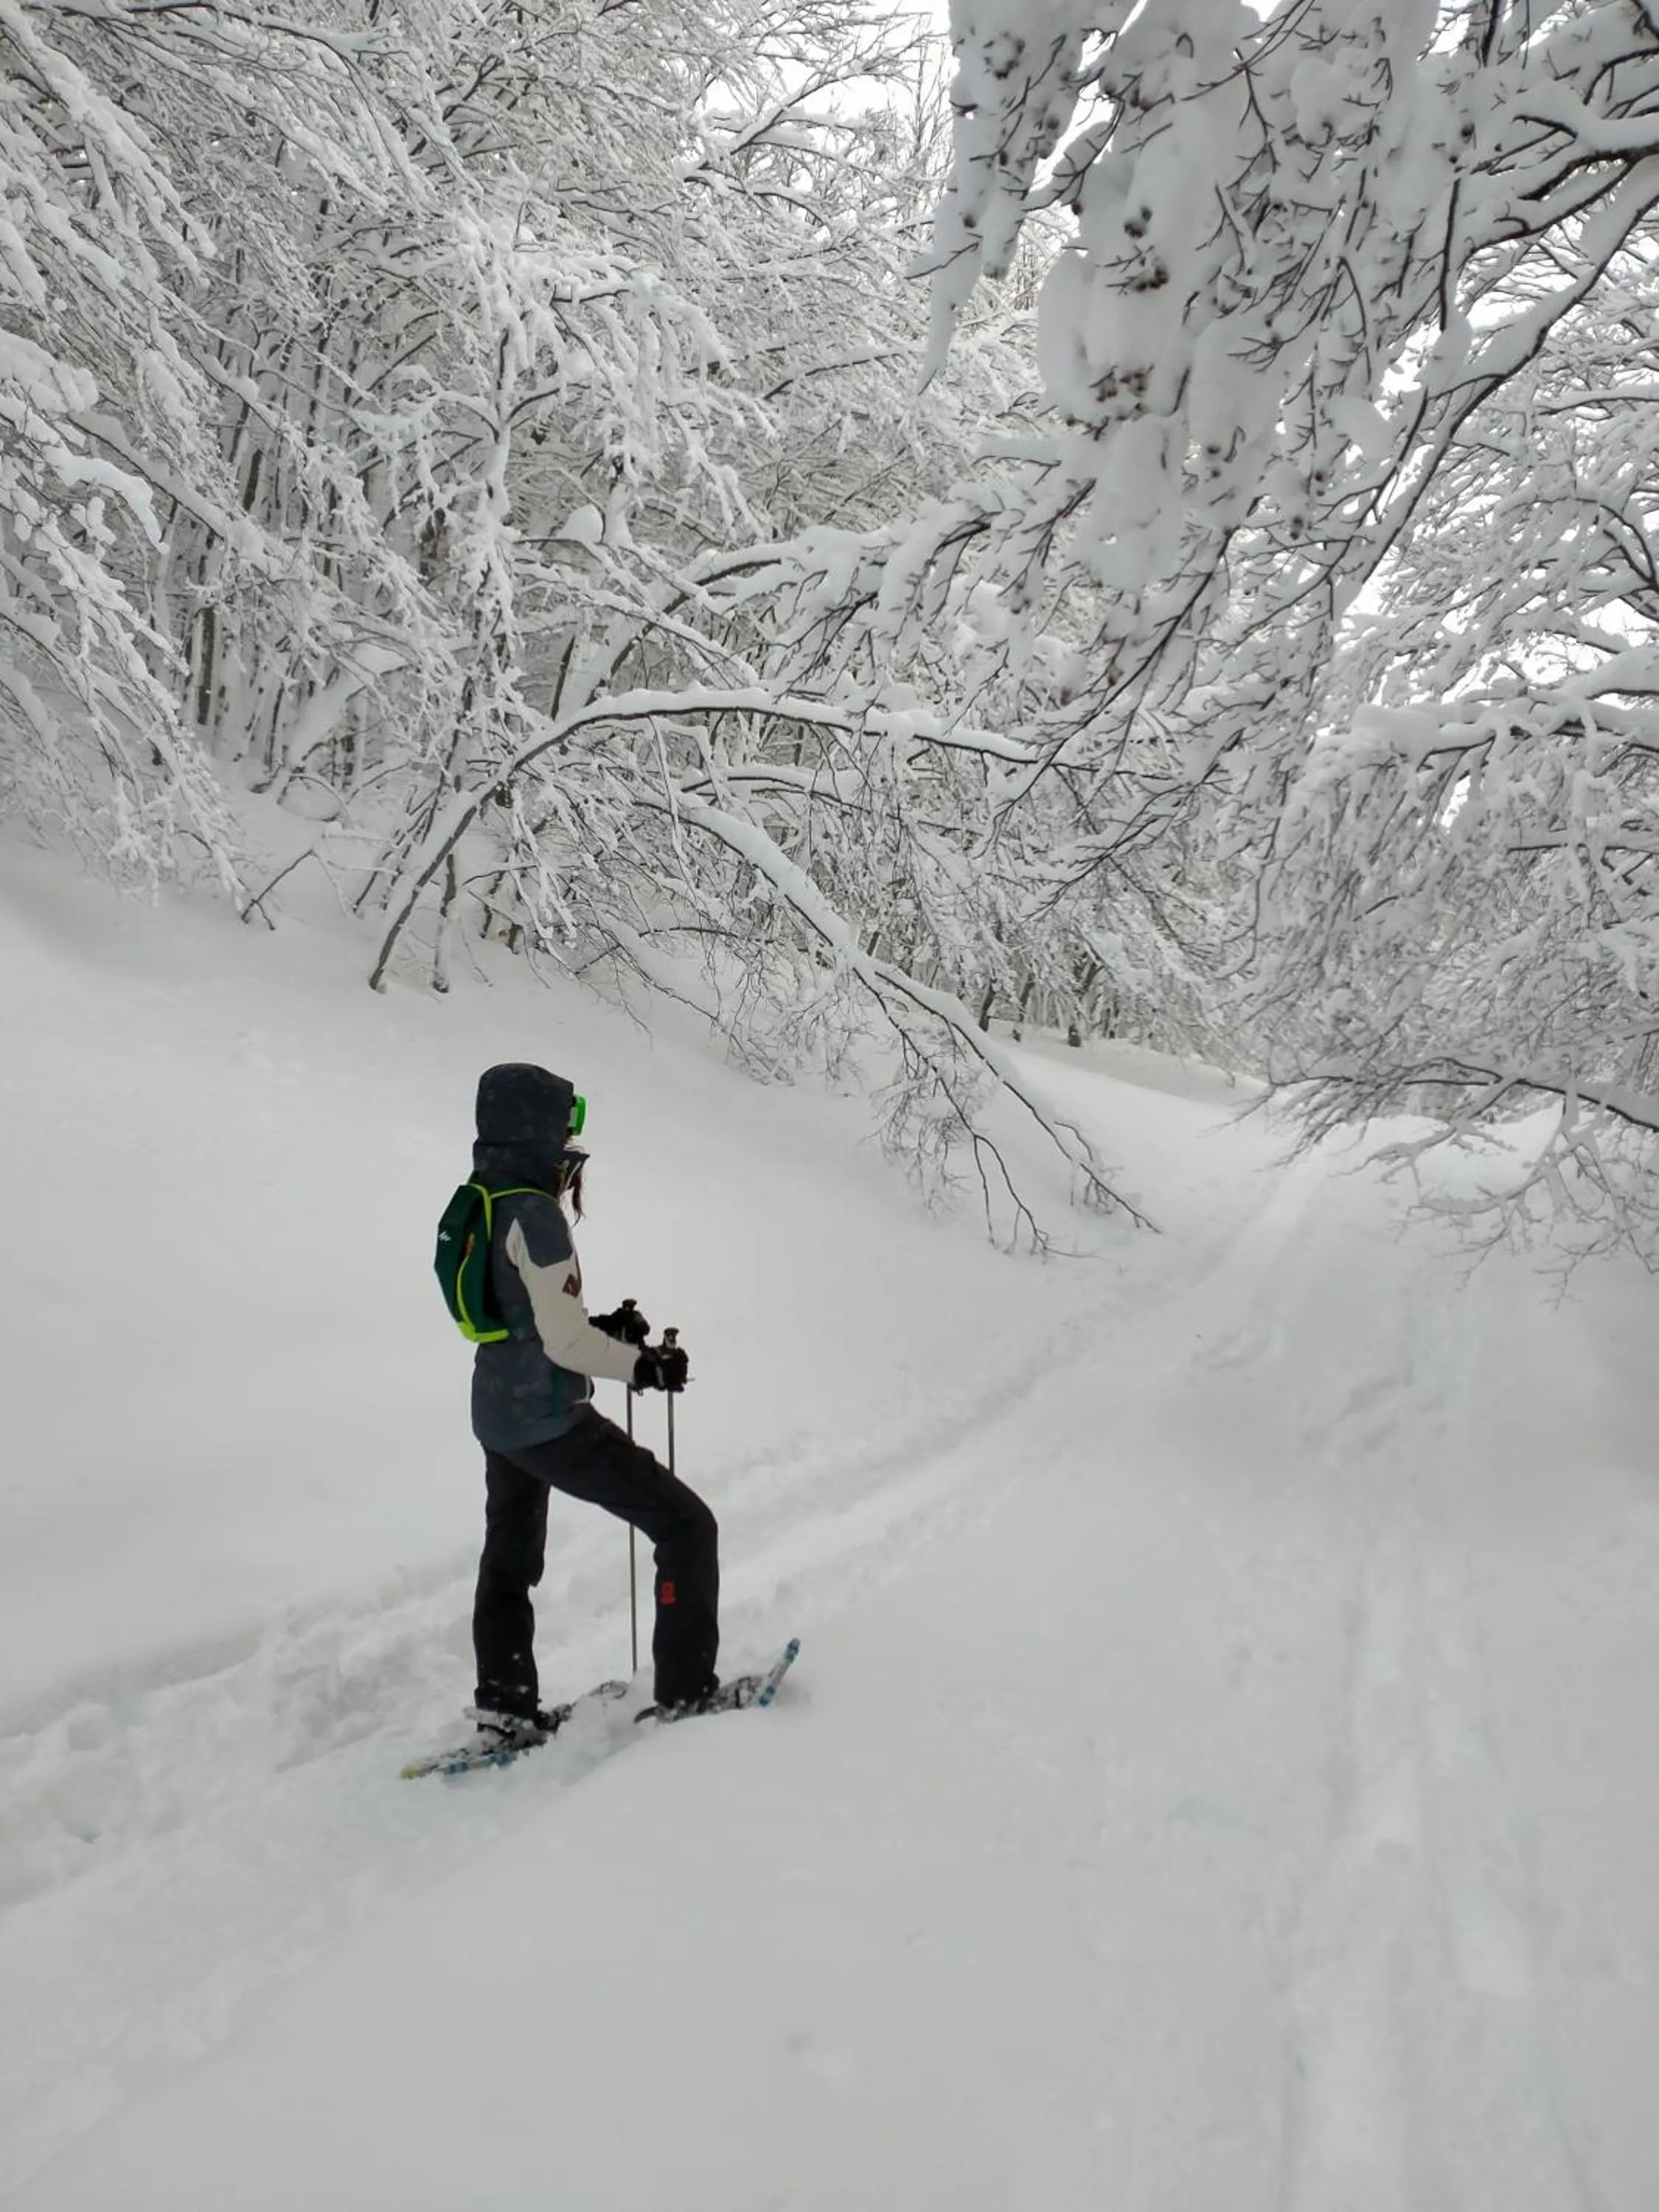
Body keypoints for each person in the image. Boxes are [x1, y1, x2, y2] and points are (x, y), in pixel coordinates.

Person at [465, 1061, 719, 1742]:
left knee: (509, 1558)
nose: (572, 1146)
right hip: (548, 1419)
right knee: (687, 1527)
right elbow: (565, 1345)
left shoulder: (484, 1195)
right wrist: (643, 1366)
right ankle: (688, 1694)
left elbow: (525, 1316)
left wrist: (601, 1329)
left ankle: (505, 1708)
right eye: (566, 1126)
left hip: (496, 1413)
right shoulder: (537, 1214)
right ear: (542, 1130)